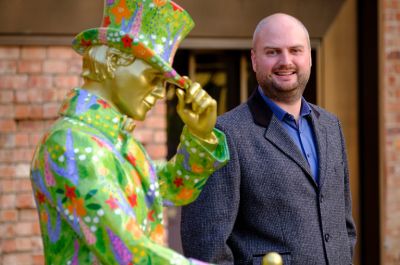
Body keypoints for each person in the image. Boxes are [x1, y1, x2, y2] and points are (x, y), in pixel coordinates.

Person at [30, 0, 229, 264]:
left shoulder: (113, 142)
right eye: (153, 78)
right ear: (112, 60)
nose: (161, 93)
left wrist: (200, 136)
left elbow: (170, 187)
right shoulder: (70, 144)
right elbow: (128, 252)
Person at [181, 13, 357, 265]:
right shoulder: (223, 133)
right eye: (273, 52)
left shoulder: (330, 126)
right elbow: (206, 245)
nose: (286, 61)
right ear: (254, 59)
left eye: (295, 50)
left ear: (309, 57)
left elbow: (344, 227)